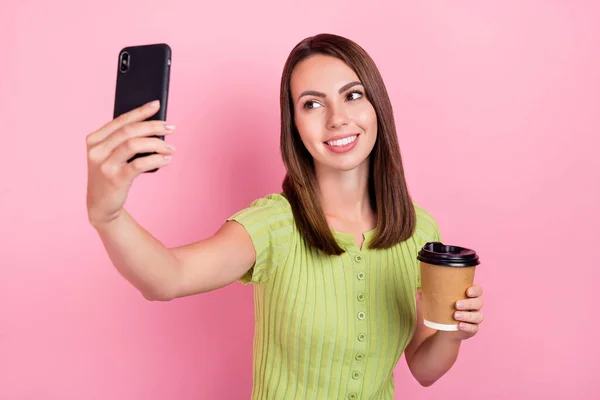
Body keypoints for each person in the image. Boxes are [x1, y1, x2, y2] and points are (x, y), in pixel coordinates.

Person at [86, 33, 484, 399]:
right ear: (293, 125)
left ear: (377, 105)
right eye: (312, 104)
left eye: (352, 95)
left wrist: (454, 332)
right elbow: (168, 277)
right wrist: (107, 214)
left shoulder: (419, 231)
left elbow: (424, 367)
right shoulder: (275, 224)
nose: (336, 118)